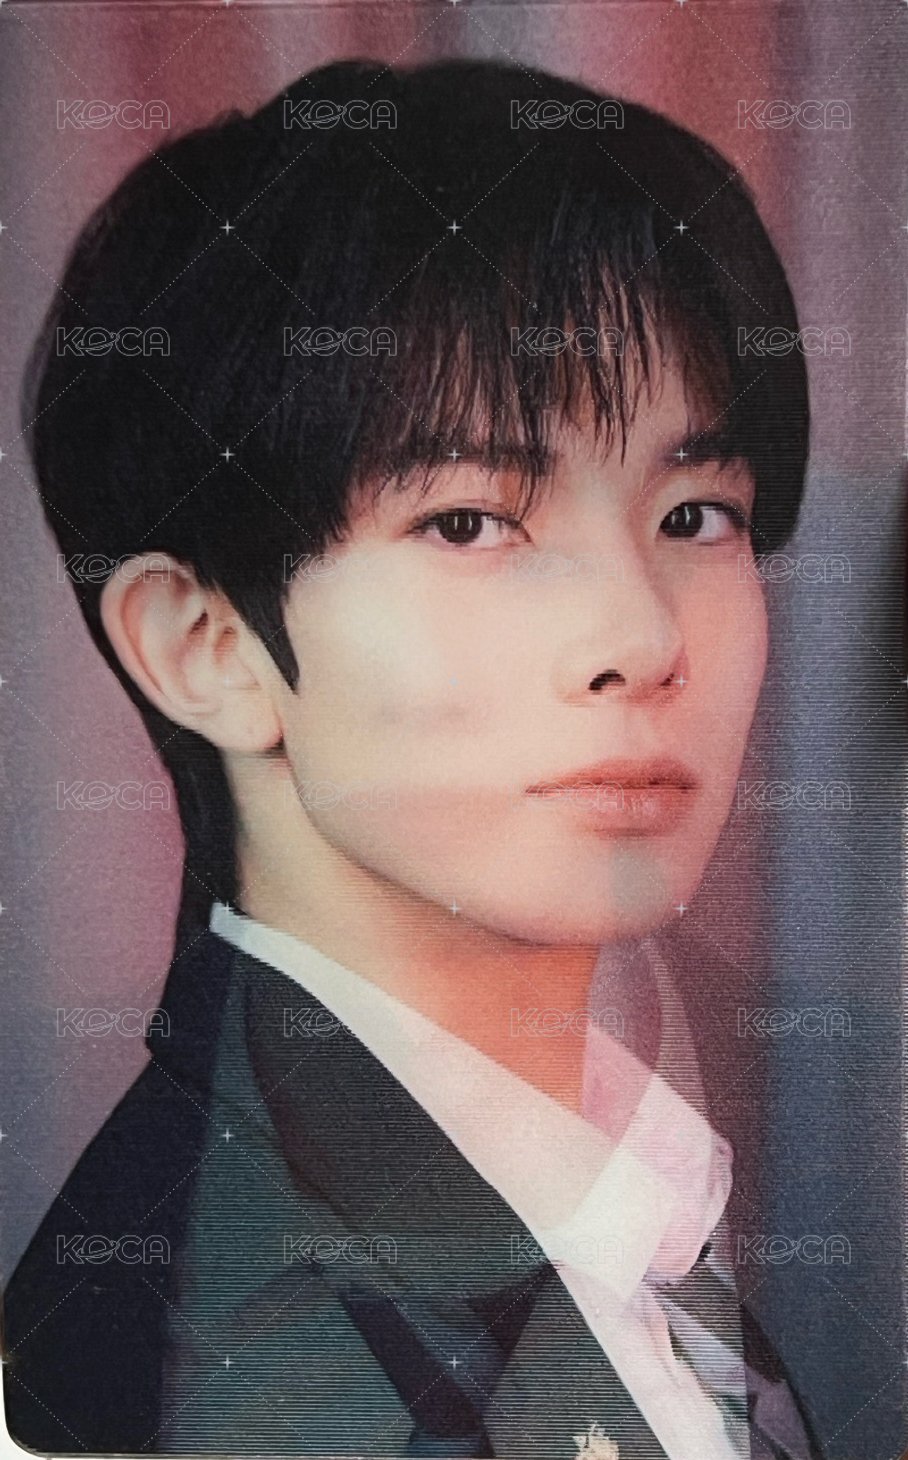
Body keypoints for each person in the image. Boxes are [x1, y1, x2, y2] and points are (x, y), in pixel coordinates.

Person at [2, 57, 820, 1459]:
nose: (640, 637)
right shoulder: (175, 1353)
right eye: (471, 523)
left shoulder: (627, 1200)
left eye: (695, 515)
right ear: (206, 644)